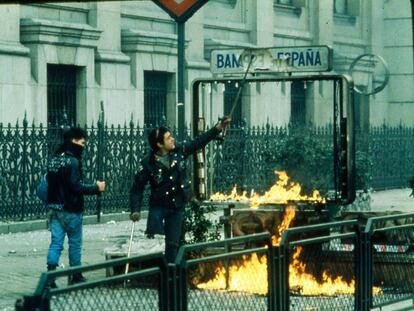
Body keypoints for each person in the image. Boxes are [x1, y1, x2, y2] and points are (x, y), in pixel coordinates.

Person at [130, 117, 230, 263]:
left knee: (173, 244)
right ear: (159, 144)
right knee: (154, 243)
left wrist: (217, 128)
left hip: (176, 205)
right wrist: (135, 210)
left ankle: (174, 276)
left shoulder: (179, 151)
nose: (173, 139)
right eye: (168, 138)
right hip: (158, 206)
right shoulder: (148, 163)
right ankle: (154, 274)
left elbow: (198, 142)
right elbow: (137, 188)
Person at [46, 127, 106, 287]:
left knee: (56, 243)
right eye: (82, 142)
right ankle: (75, 275)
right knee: (75, 242)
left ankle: (50, 276)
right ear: (74, 141)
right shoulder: (73, 161)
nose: (84, 146)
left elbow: (47, 184)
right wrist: (96, 187)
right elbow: (76, 187)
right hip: (71, 208)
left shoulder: (54, 159)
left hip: (55, 208)